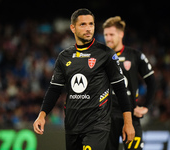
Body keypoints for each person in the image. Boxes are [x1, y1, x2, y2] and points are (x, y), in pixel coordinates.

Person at [33, 9, 135, 150]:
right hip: (72, 124)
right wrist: (42, 115)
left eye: (91, 24)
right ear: (72, 28)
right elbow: (54, 89)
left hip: (97, 124)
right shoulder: (64, 57)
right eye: (83, 25)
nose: (88, 28)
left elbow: (120, 89)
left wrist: (128, 123)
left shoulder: (106, 54)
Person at [103, 16, 156, 150]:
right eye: (105, 35)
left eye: (111, 34)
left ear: (121, 34)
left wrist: (147, 106)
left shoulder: (135, 55)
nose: (108, 38)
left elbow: (152, 81)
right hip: (108, 117)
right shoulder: (100, 57)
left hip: (131, 115)